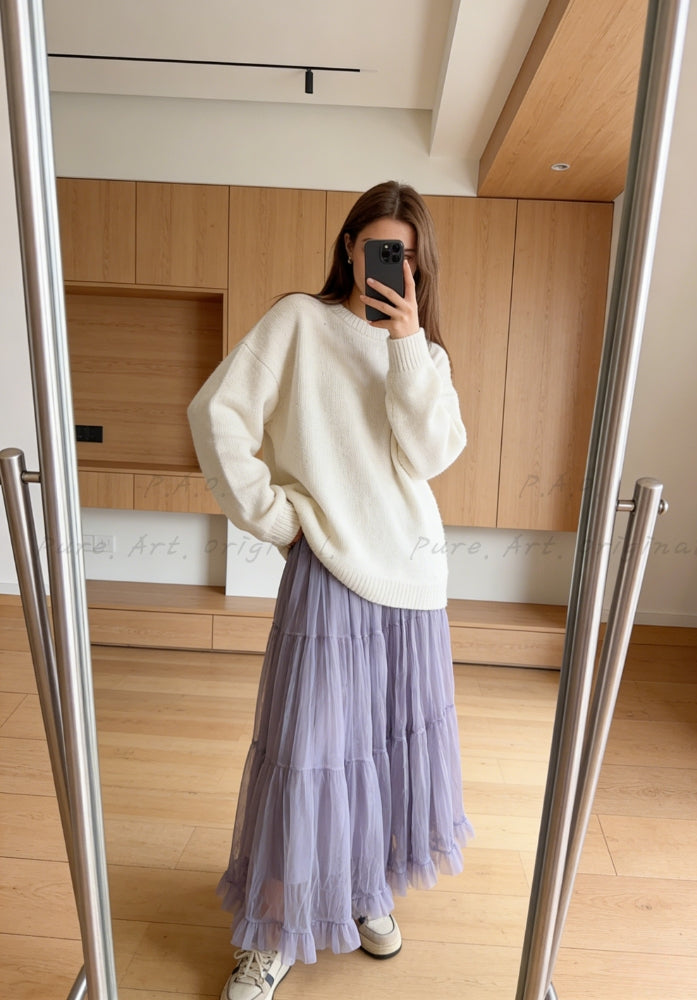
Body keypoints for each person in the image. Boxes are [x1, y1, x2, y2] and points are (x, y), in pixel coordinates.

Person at [188, 180, 473, 1000]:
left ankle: (363, 891)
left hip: (413, 580)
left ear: (418, 266)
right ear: (349, 246)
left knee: (383, 752)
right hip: (329, 572)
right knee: (308, 753)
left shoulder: (424, 354)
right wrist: (277, 518)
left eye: (403, 255)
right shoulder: (299, 323)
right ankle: (273, 932)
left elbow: (430, 456)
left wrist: (407, 344)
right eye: (375, 246)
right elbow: (216, 415)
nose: (387, 263)